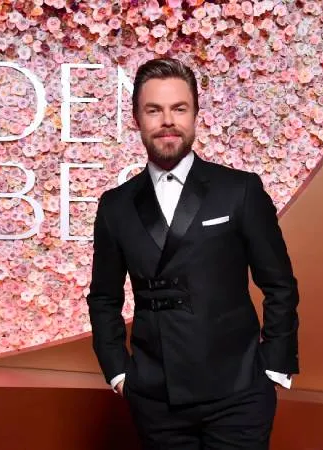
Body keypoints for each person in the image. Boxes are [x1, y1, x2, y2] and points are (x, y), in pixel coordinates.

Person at [86, 57, 300, 450]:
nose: (167, 120)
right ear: (137, 119)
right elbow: (103, 297)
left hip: (238, 393)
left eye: (178, 109)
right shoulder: (115, 205)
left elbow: (279, 283)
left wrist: (275, 365)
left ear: (196, 115)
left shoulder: (240, 190)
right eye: (154, 110)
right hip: (156, 396)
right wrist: (118, 372)